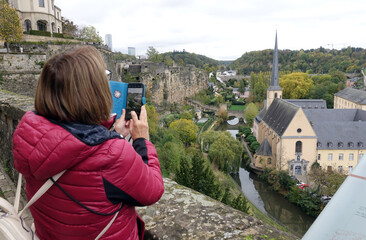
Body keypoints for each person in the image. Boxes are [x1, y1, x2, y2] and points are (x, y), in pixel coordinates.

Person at [12, 46, 164, 239]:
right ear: (94, 92)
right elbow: (153, 190)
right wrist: (141, 139)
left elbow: (71, 145)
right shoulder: (112, 155)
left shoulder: (29, 137)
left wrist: (113, 135)